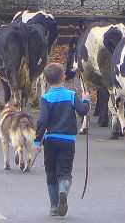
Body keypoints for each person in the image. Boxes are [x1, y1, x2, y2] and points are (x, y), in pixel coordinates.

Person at [35, 63, 90, 217]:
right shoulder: (71, 95)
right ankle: (64, 190)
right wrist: (86, 100)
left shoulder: (45, 98)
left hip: (51, 140)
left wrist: (38, 141)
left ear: (45, 80)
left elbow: (42, 120)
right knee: (65, 171)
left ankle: (54, 207)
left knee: (51, 172)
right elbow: (83, 111)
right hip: (68, 140)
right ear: (64, 78)